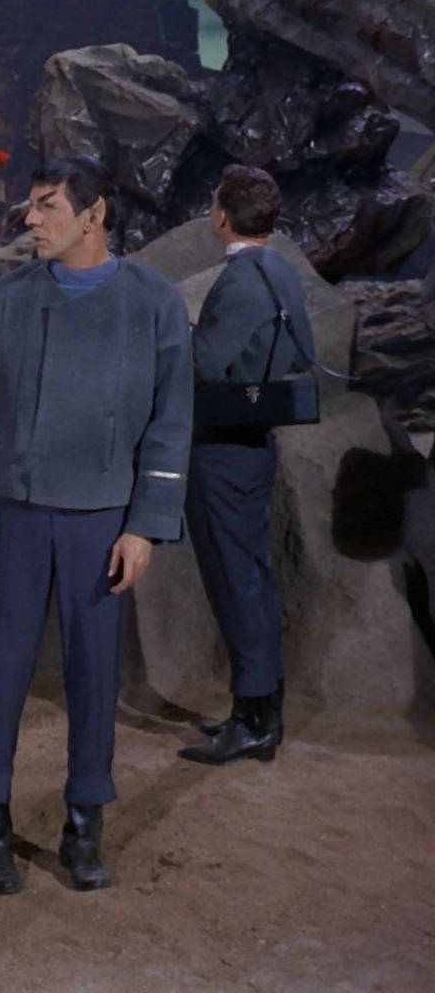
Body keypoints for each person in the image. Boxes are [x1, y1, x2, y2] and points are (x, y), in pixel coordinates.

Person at [0, 156, 192, 894]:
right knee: (3, 671)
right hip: (17, 514)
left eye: (48, 205)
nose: (31, 220)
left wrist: (145, 526)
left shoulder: (153, 302)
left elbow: (171, 423)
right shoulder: (9, 298)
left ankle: (85, 823)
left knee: (93, 674)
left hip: (103, 521)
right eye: (31, 206)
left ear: (94, 215)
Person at [178, 165, 315, 766]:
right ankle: (260, 711)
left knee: (235, 580)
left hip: (223, 449)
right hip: (252, 441)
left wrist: (176, 330)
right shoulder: (279, 269)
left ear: (223, 214)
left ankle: (253, 720)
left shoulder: (241, 277)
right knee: (251, 578)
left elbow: (203, 363)